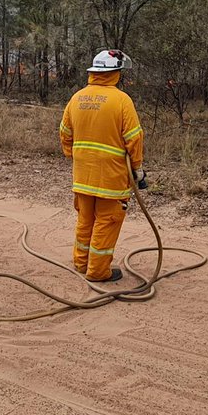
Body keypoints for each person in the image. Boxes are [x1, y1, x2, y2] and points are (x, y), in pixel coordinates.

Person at [59, 49, 145, 284]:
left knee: (85, 219)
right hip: (111, 177)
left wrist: (75, 156)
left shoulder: (77, 98)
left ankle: (81, 262)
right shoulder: (121, 100)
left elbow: (64, 133)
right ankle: (98, 271)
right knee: (107, 221)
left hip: (82, 175)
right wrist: (136, 168)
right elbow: (134, 138)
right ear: (115, 73)